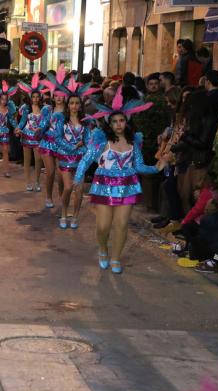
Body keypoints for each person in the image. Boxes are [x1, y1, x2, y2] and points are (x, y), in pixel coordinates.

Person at [73, 87, 165, 274]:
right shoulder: (101, 141)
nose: (118, 124)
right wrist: (78, 177)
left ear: (127, 122)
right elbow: (87, 159)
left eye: (121, 120)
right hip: (104, 186)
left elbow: (139, 166)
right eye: (114, 121)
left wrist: (156, 167)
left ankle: (115, 257)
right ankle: (103, 249)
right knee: (103, 226)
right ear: (109, 123)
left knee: (122, 225)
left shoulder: (133, 143)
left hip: (127, 187)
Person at [56, 95, 91, 229]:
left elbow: (88, 140)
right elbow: (57, 138)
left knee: (80, 190)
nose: (74, 106)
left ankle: (75, 216)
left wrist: (84, 146)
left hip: (80, 159)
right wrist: (72, 147)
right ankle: (64, 214)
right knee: (68, 187)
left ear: (80, 105)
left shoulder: (85, 121)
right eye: (71, 103)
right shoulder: (62, 120)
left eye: (77, 103)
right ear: (68, 105)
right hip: (65, 158)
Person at [39, 65, 69, 208]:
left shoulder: (69, 112)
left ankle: (63, 199)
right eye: (56, 95)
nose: (58, 98)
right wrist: (38, 129)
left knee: (62, 175)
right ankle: (49, 197)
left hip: (62, 145)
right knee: (50, 172)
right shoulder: (48, 110)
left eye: (61, 95)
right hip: (47, 143)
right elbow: (43, 125)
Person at [16, 74, 48, 191]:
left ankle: (37, 181)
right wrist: (18, 128)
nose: (35, 99)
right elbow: (23, 121)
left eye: (37, 97)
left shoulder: (44, 109)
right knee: (27, 160)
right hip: (26, 135)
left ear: (40, 97)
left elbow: (45, 123)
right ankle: (28, 181)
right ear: (30, 97)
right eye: (33, 97)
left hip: (38, 137)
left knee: (38, 160)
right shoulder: (26, 108)